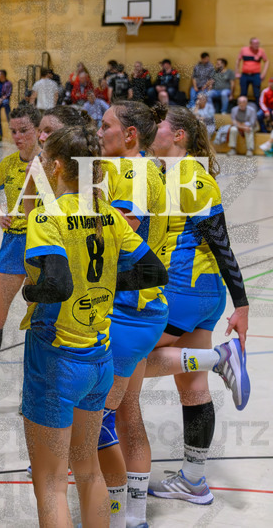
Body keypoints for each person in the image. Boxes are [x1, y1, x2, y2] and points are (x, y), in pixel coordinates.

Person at [21, 126, 166, 528]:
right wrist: (101, 285)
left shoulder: (48, 216)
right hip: (98, 359)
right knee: (88, 471)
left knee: (50, 484)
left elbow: (57, 285)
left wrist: (30, 294)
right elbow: (154, 271)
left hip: (56, 360)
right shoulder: (108, 215)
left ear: (58, 166)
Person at [143, 106, 250, 505]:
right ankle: (194, 479)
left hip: (185, 291)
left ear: (180, 136)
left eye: (161, 127)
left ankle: (220, 357)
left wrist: (242, 305)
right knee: (192, 390)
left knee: (125, 362)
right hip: (195, 293)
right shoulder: (167, 173)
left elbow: (221, 243)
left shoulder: (193, 178)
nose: (154, 131)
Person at [95, 102, 170, 528]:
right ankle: (136, 515)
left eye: (105, 126)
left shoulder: (131, 173)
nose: (98, 131)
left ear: (129, 136)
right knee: (128, 411)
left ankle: (120, 516)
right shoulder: (140, 168)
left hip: (128, 309)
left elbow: (119, 234)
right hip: (146, 304)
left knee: (100, 418)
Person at [0, 105, 42, 403]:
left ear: (39, 131)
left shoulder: (52, 165)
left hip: (44, 244)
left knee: (42, 319)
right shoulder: (8, 164)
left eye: (23, 130)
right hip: (14, 244)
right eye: (13, 131)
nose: (17, 137)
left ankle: (35, 391)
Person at [236, 37, 267, 102]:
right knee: (243, 93)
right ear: (250, 44)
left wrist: (263, 74)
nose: (257, 45)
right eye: (255, 43)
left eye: (258, 43)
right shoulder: (244, 50)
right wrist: (237, 72)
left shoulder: (261, 51)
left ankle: (258, 109)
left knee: (257, 93)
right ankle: (241, 109)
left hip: (256, 75)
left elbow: (266, 61)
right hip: (245, 75)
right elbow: (238, 60)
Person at [0, 69, 13, 136]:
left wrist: (0, 100)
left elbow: (8, 94)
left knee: (6, 102)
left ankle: (10, 120)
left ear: (3, 75)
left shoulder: (8, 83)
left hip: (4, 100)